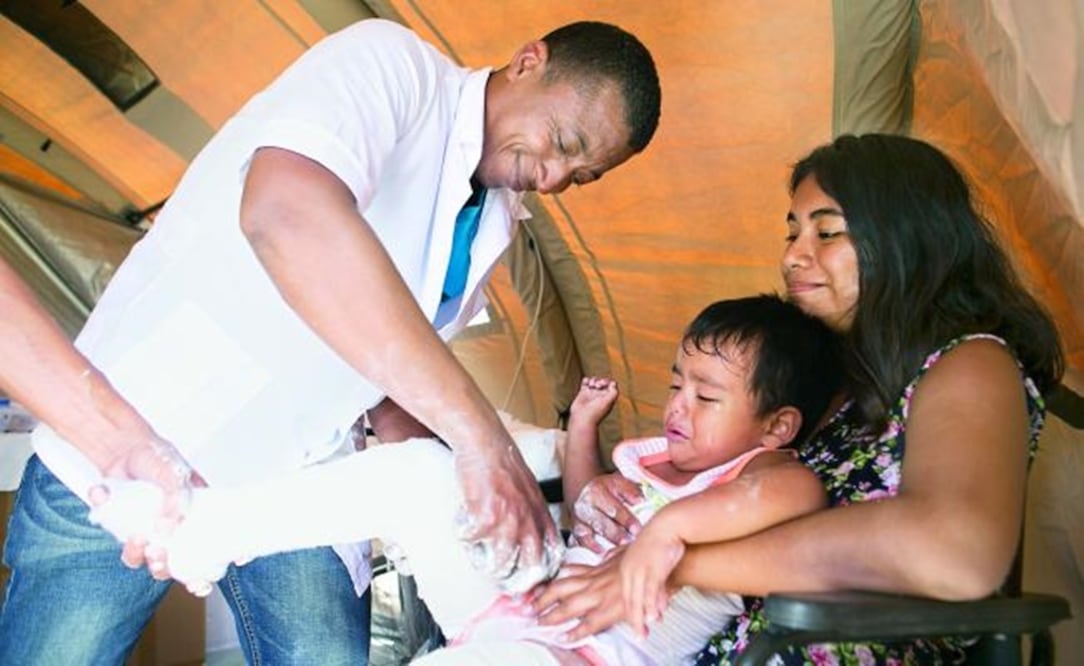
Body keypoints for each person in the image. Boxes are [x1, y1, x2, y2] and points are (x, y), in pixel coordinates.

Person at [0, 18, 661, 664]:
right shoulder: (395, 67)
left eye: (579, 176)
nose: (551, 178)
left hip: (299, 469)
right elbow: (286, 214)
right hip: (142, 431)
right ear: (528, 62)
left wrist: (463, 516)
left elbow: (390, 382)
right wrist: (482, 442)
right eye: (562, 141)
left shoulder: (494, 224)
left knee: (323, 651)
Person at [534, 134, 1065, 665]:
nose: (793, 256)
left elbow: (955, 553)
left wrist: (674, 559)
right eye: (792, 233)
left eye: (827, 232)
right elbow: (721, 488)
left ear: (906, 239)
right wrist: (622, 508)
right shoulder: (834, 386)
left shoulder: (970, 363)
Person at [93, 293, 843, 666]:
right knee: (421, 471)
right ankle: (202, 531)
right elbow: (582, 509)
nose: (678, 405)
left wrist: (670, 530)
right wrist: (583, 431)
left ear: (777, 425)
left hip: (575, 655)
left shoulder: (766, 473)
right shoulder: (658, 464)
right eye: (678, 383)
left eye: (705, 398)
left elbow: (795, 495)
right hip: (529, 593)